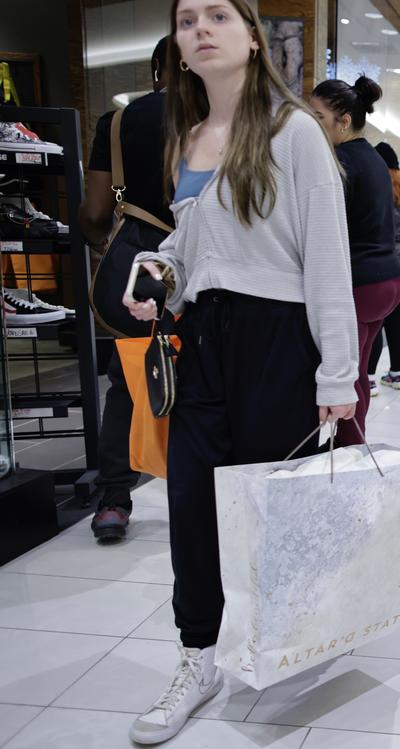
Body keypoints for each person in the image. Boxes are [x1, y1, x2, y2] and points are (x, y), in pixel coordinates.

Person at [122, 1, 359, 743]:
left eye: (217, 14)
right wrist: (153, 272)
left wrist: (337, 377)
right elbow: (197, 248)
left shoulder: (294, 135)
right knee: (191, 507)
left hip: (278, 339)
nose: (200, 29)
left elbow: (326, 258)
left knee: (271, 515)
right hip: (203, 339)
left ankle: (287, 641)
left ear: (252, 37)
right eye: (187, 19)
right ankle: (198, 656)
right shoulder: (186, 139)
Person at [79, 37, 172, 541]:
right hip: (209, 270)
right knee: (209, 382)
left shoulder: (117, 123)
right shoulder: (224, 123)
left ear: (157, 69)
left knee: (127, 383)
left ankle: (113, 501)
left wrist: (109, 245)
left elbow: (94, 214)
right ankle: (209, 497)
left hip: (138, 266)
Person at [310, 76, 400, 445]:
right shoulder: (375, 158)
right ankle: (353, 446)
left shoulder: (341, 162)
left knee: (344, 378)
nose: (312, 126)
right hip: (386, 281)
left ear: (343, 121)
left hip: (361, 282)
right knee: (358, 373)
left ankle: (349, 451)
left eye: (318, 117)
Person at [366, 141, 400, 392]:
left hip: (385, 260)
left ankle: (368, 377)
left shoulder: (376, 188)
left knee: (376, 319)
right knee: (398, 319)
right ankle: (397, 374)